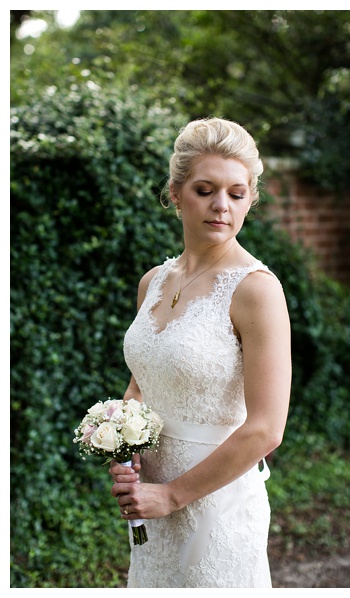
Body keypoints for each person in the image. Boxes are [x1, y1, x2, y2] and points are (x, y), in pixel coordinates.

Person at [108, 117, 292, 587]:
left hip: (216, 504)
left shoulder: (256, 290)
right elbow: (140, 385)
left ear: (251, 198)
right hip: (151, 499)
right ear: (175, 193)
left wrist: (172, 495)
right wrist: (122, 448)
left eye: (236, 193)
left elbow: (266, 430)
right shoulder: (153, 282)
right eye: (205, 189)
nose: (221, 206)